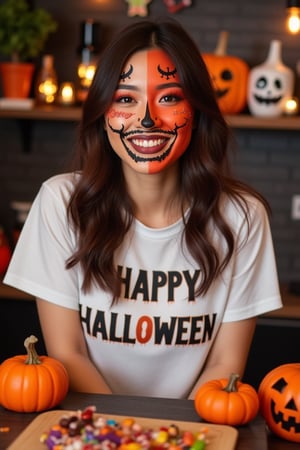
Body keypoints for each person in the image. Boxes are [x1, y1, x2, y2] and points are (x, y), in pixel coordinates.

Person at [4, 18, 282, 399]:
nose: (147, 119)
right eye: (125, 99)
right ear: (103, 114)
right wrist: (127, 433)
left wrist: (170, 435)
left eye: (169, 97)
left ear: (197, 110)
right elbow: (69, 354)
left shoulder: (243, 217)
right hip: (94, 429)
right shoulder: (61, 203)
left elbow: (224, 366)